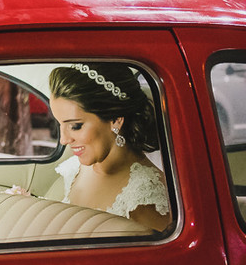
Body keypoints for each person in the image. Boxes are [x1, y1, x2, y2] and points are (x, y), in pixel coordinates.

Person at [48, 62, 170, 232]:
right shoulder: (74, 169)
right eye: (59, 124)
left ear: (115, 120)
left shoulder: (145, 197)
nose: (64, 139)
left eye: (75, 126)